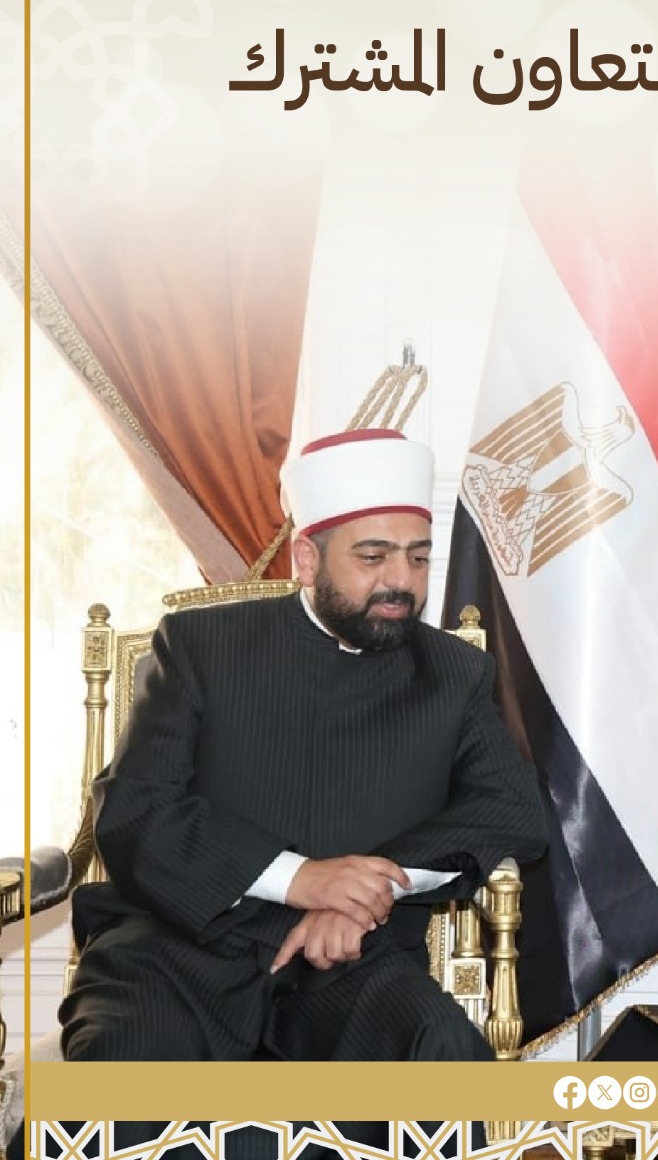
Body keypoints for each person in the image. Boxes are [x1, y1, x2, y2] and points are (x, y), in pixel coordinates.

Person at [60, 428, 548, 1060]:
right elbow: (135, 811)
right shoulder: (201, 646)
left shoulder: (453, 672)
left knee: (440, 1049)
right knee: (126, 1065)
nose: (401, 582)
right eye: (373, 558)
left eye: (418, 558)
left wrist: (365, 893)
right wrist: (300, 879)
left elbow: (512, 810)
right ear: (307, 560)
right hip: (177, 949)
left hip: (350, 958)